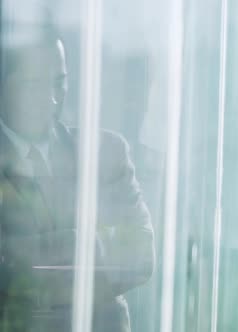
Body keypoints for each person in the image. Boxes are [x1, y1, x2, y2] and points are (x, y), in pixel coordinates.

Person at [0, 36, 155, 331]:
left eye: (59, 82)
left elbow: (141, 254)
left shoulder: (106, 153)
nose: (52, 99)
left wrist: (31, 262)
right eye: (34, 85)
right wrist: (90, 245)